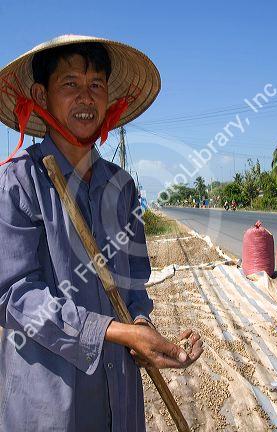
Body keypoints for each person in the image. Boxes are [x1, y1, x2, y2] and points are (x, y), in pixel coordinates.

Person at [0, 35, 203, 432]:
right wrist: (115, 332)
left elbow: (133, 286)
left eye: (96, 85)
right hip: (51, 401)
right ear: (41, 95)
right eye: (70, 84)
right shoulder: (19, 182)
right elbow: (14, 296)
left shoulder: (122, 187)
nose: (86, 97)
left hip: (119, 396)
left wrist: (141, 327)